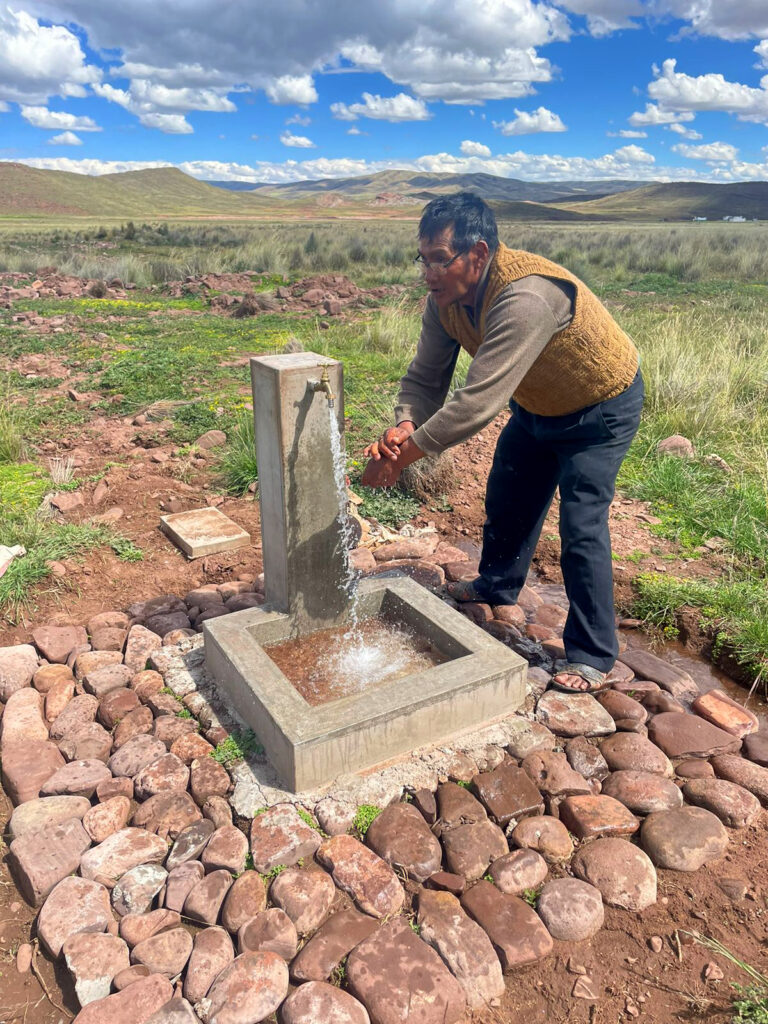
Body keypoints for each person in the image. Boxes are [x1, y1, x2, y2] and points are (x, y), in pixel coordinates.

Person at [361, 192, 643, 694]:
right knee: (508, 495)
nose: (428, 272)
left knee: (580, 526)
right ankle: (497, 584)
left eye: (439, 260)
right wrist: (405, 424)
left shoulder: (526, 296)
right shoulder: (445, 303)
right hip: (536, 406)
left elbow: (476, 402)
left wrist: (402, 458)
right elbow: (425, 380)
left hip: (598, 408)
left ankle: (592, 655)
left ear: (479, 253)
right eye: (422, 259)